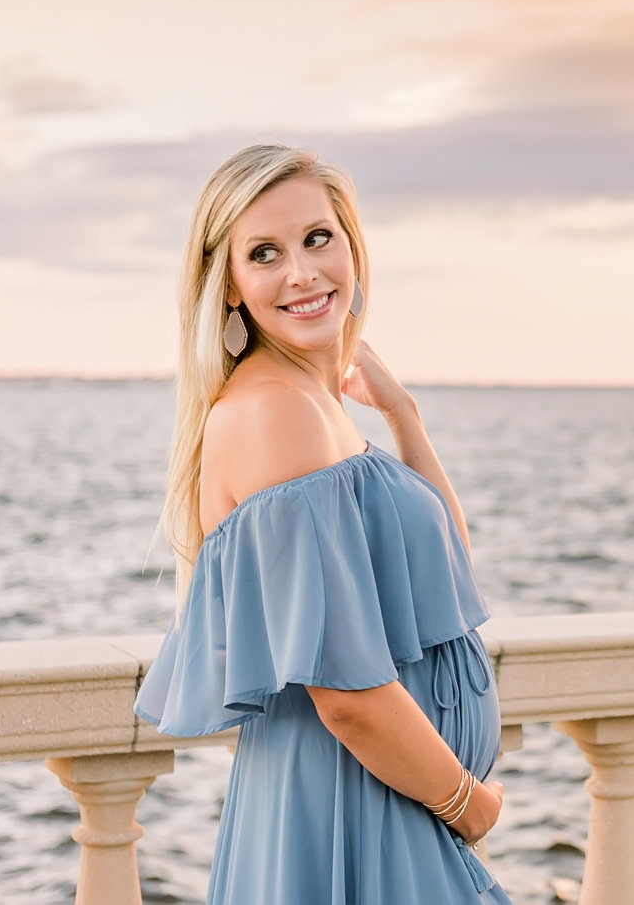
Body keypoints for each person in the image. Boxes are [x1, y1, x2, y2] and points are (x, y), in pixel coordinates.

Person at [134, 143, 511, 904]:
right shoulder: (274, 414)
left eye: (317, 238)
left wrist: (405, 418)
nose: (302, 272)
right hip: (353, 811)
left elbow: (449, 575)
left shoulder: (315, 408)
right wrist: (469, 804)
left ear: (351, 245)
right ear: (231, 287)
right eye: (265, 253)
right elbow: (346, 694)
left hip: (389, 800)